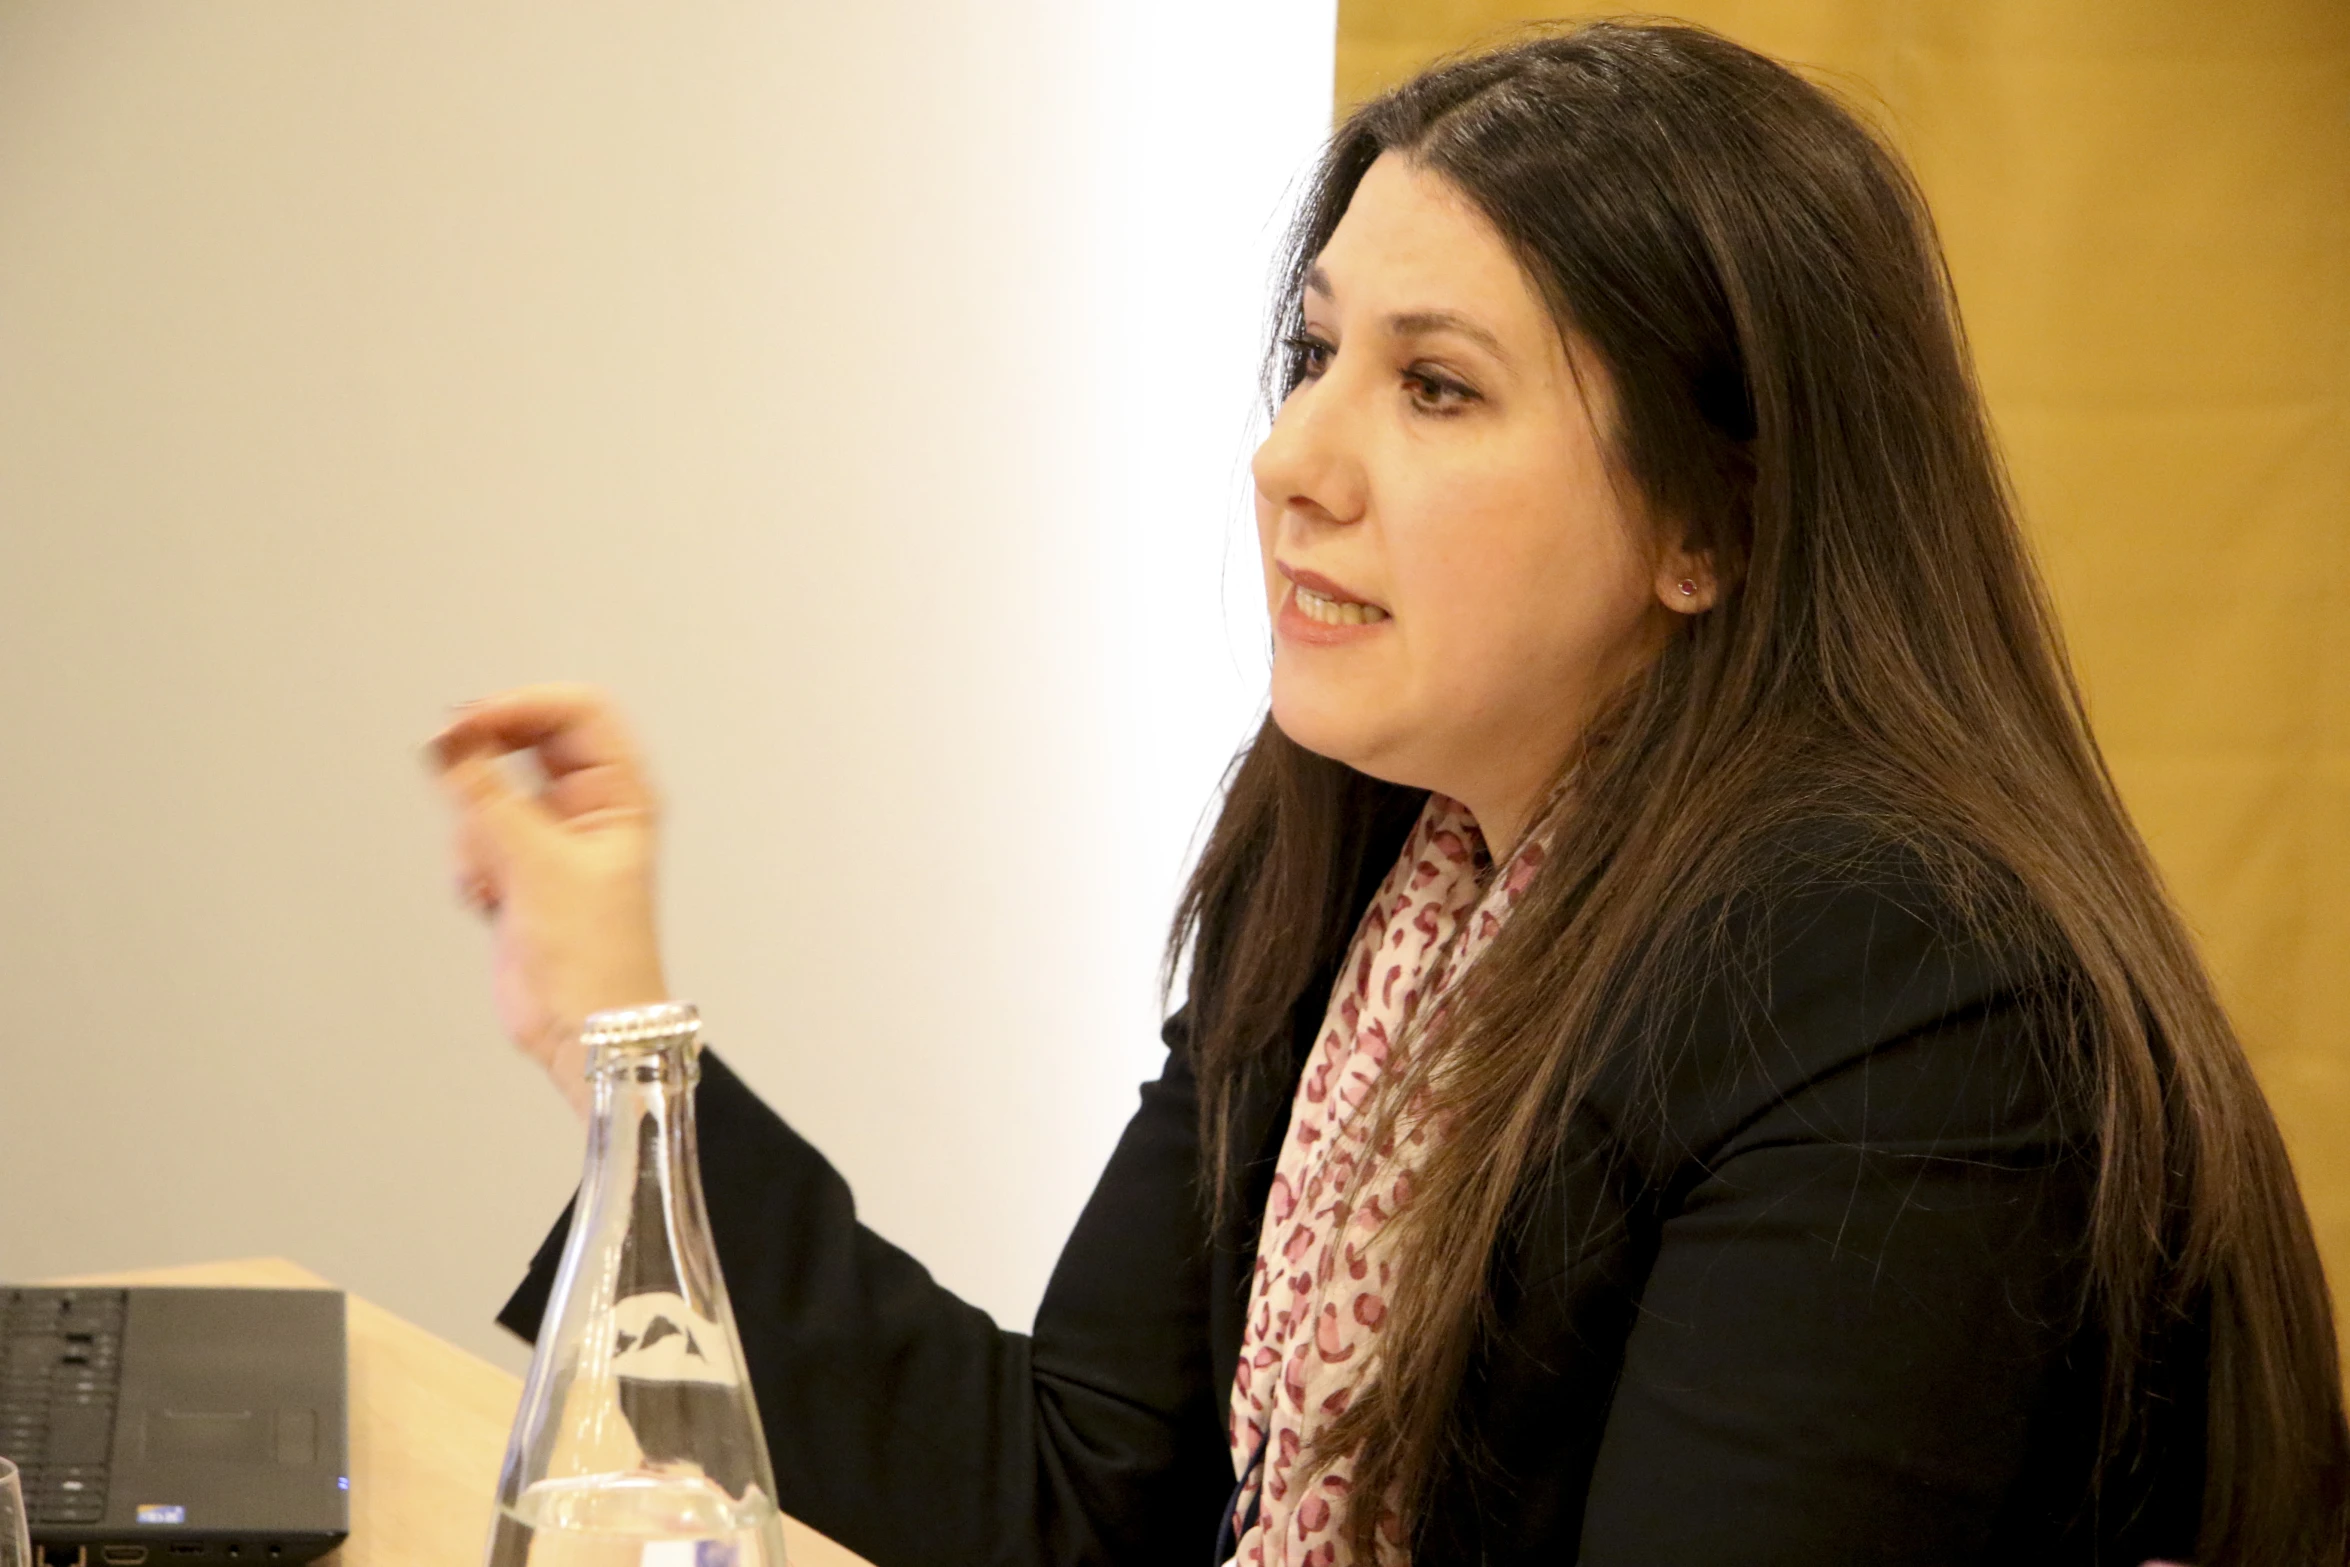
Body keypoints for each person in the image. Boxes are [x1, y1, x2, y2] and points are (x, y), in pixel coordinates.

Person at [429, 20, 2350, 1566]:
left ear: (1707, 521)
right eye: (1315, 352)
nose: (1290, 456)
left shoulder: (1884, 983)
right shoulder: (1362, 860)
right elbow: (1076, 1496)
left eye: (1435, 388)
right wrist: (618, 1043)